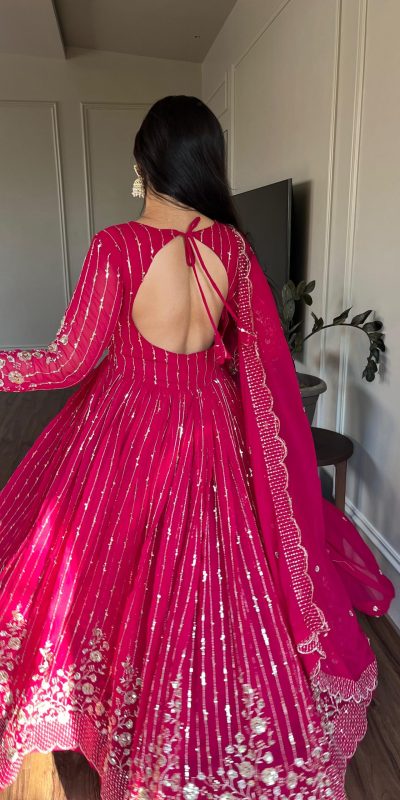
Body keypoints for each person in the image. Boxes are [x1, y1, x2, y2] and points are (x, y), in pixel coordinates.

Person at [0, 95, 394, 800]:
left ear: (144, 161)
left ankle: (120, 707)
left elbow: (68, 362)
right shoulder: (233, 248)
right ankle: (197, 711)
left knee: (105, 566)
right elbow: (254, 359)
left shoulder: (117, 246)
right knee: (207, 574)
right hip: (210, 424)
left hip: (130, 423)